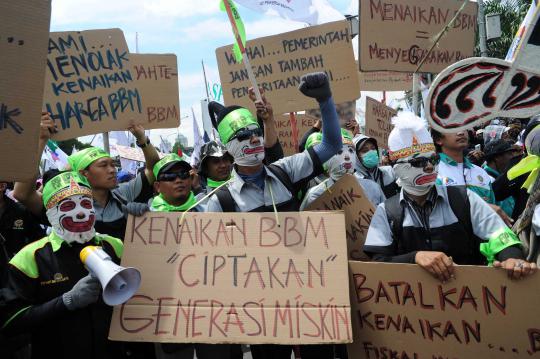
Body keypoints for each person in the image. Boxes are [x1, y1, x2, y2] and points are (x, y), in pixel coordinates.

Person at [206, 72, 342, 359]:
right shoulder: (222, 201)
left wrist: (325, 100)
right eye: (243, 136)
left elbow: (331, 146)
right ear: (229, 146)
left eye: (256, 132)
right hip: (262, 307)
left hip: (307, 290)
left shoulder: (285, 171)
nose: (254, 139)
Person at [364, 112, 537, 281]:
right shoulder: (386, 212)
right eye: (418, 163)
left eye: (433, 160)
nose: (429, 168)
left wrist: (512, 257)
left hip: (468, 300)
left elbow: (500, 235)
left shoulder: (464, 199)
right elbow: (378, 263)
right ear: (397, 169)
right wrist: (415, 257)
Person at [2, 171, 127, 359]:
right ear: (51, 213)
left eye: (86, 204)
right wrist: (65, 302)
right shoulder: (29, 258)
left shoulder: (114, 245)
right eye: (68, 206)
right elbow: (9, 320)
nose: (80, 213)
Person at [149, 154, 242, 359]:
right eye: (170, 176)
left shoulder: (211, 207)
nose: (179, 180)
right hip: (172, 313)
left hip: (213, 311)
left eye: (183, 174)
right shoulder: (145, 219)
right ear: (157, 186)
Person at [13, 114, 159, 240]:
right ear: (83, 173)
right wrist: (40, 141)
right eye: (103, 165)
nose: (112, 170)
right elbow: (22, 194)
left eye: (112, 164)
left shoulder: (123, 194)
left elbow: (153, 169)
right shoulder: (63, 204)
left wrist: (142, 139)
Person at [431, 128, 512, 226]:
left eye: (464, 127)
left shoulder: (480, 173)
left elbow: (495, 211)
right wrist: (482, 208)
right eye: (453, 128)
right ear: (438, 140)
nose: (461, 132)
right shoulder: (433, 173)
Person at [300, 130, 386, 210]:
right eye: (339, 152)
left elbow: (386, 221)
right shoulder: (315, 196)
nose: (347, 156)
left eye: (351, 150)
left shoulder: (373, 188)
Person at [483, 139, 517, 217]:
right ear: (497, 157)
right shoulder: (486, 181)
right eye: (509, 154)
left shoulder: (504, 175)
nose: (512, 156)